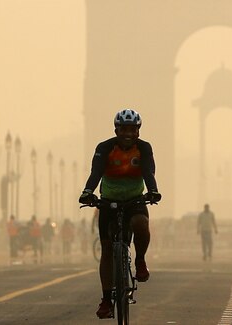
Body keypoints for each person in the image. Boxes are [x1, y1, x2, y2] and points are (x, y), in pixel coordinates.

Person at [79, 108, 161, 319]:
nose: (128, 134)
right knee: (107, 250)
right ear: (116, 130)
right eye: (124, 129)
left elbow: (148, 172)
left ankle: (140, 260)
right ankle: (106, 300)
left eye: (132, 129)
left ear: (138, 131)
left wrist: (153, 191)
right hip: (108, 201)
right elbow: (96, 172)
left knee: (141, 224)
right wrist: (87, 192)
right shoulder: (105, 148)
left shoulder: (144, 148)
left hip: (134, 200)